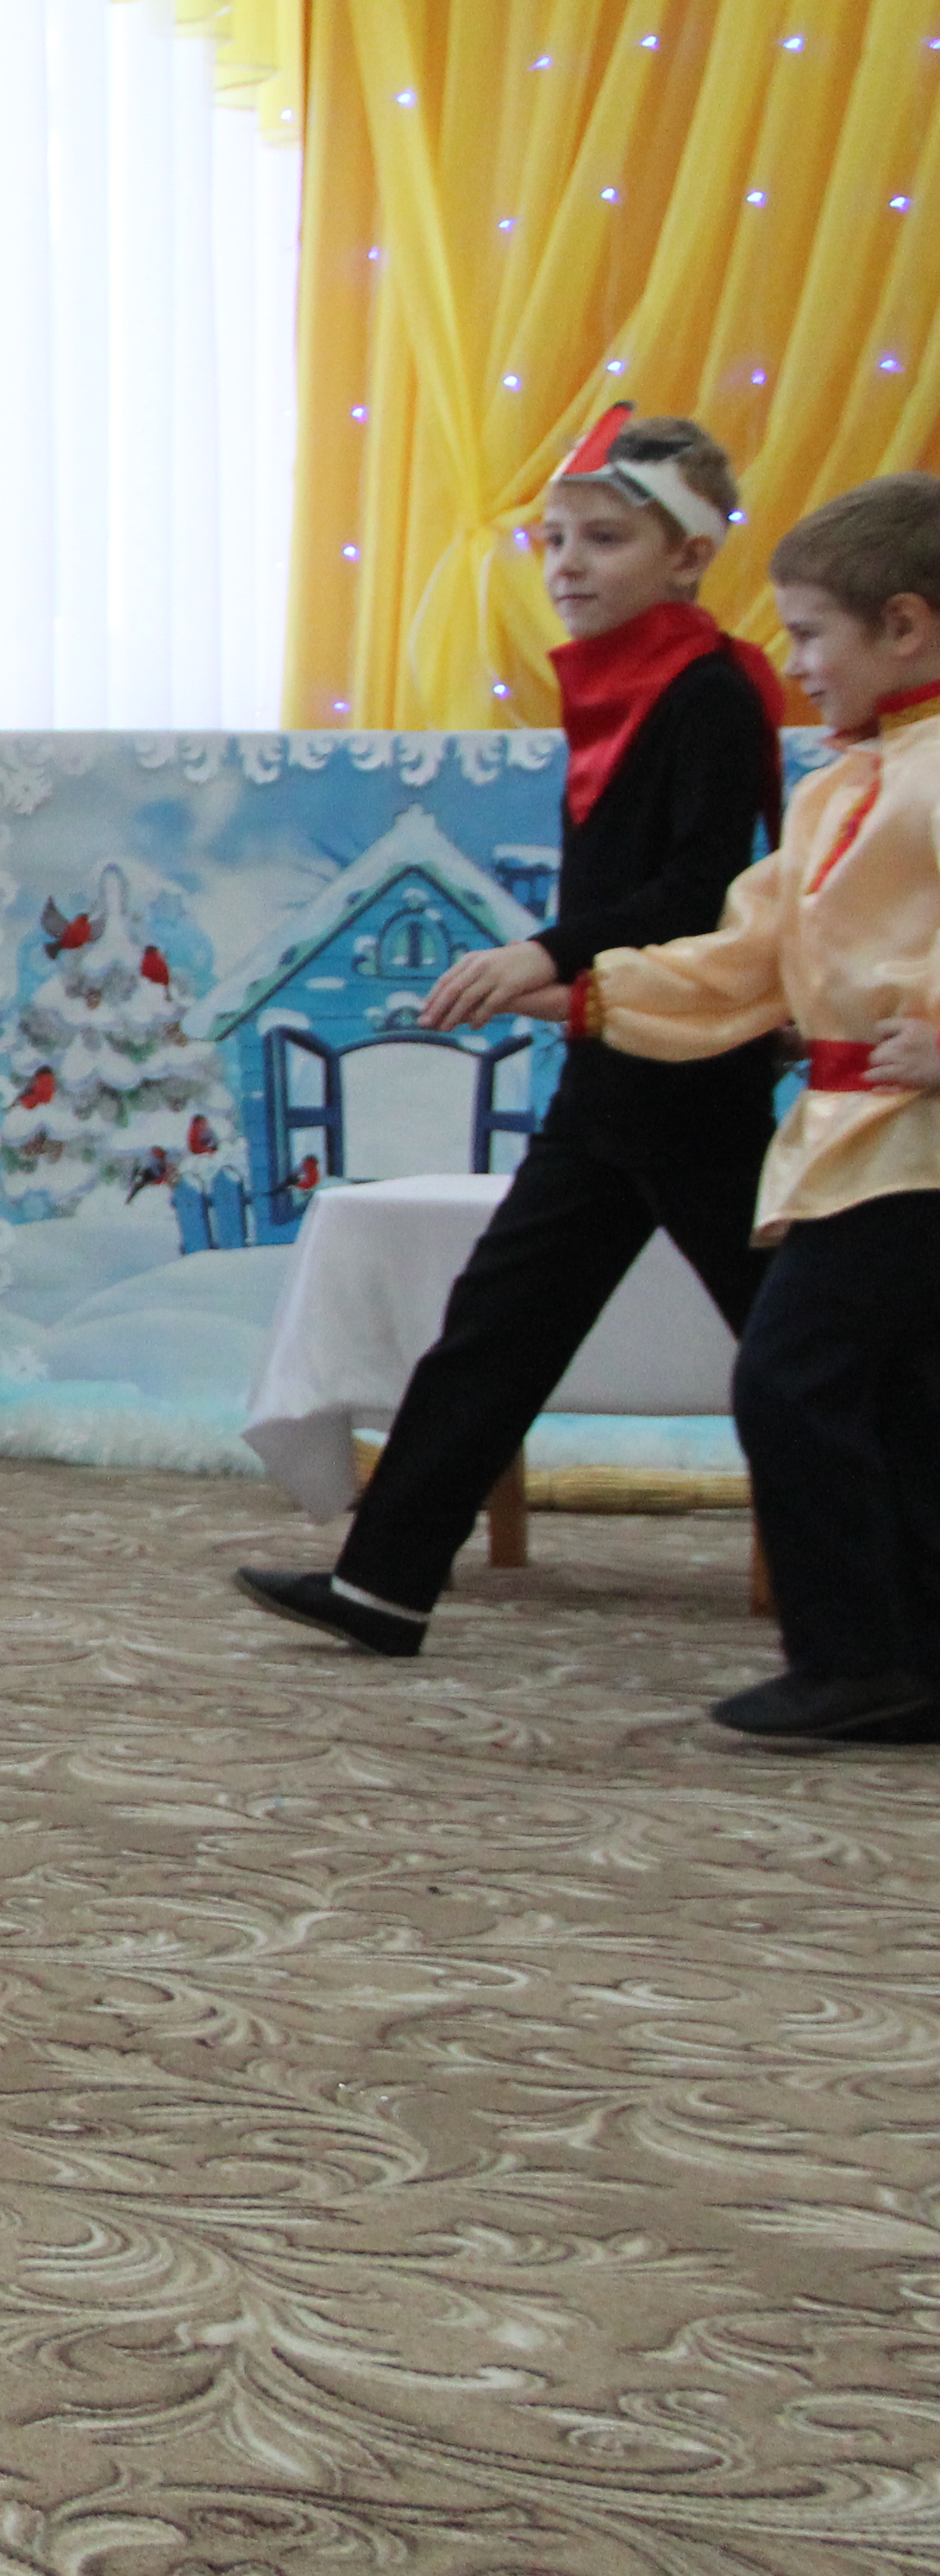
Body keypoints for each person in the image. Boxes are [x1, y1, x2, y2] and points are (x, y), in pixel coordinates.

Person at [235, 410, 789, 1657]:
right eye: (553, 540)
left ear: (690, 558)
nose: (568, 564)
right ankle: (385, 1584)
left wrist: (550, 953)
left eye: (603, 539)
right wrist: (572, 977)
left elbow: (702, 885)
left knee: (794, 1341)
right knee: (499, 1322)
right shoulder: (629, 690)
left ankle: (892, 1606)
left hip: (685, 1070)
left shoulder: (707, 691)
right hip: (622, 1068)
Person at [519, 469, 940, 1740]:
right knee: (898, 1395)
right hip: (856, 1139)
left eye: (813, 631)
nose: (795, 660)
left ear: (906, 627)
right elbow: (749, 958)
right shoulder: (836, 790)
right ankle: (909, 1654)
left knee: (792, 1378)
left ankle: (857, 1654)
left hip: (917, 1142)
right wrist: (588, 993)